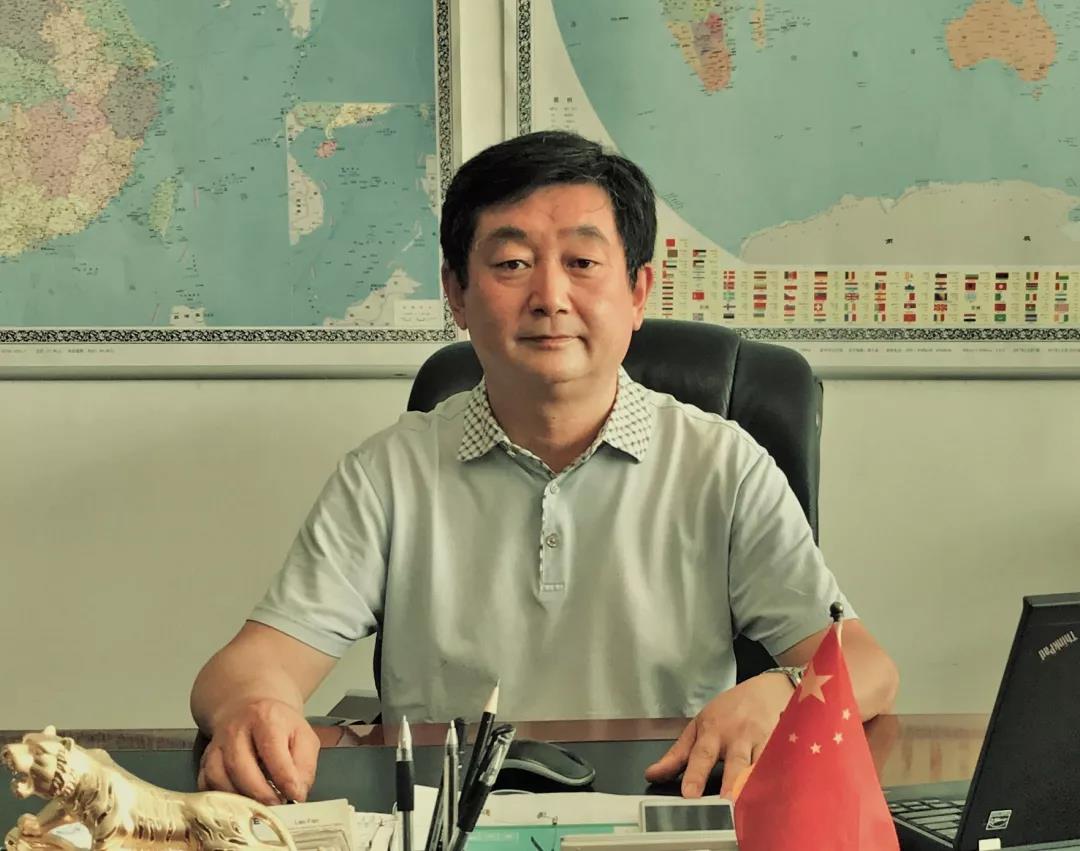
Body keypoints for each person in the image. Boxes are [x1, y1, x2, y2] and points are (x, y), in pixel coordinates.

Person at [190, 130, 899, 807]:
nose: (550, 297)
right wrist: (255, 704)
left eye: (583, 262)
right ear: (457, 293)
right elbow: (251, 664)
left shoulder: (723, 463)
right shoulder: (388, 473)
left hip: (663, 810)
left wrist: (781, 690)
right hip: (452, 818)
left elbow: (866, 666)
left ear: (638, 291)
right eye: (511, 263)